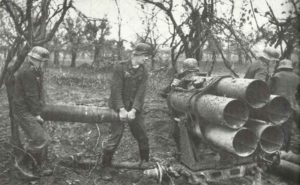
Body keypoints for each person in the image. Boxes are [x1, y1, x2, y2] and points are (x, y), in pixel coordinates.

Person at [101, 43, 152, 181]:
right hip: (118, 107)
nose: (147, 59)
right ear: (137, 55)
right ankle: (105, 166)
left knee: (142, 135)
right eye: (145, 56)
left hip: (134, 109)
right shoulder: (120, 67)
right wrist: (122, 109)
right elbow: (115, 90)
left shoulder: (144, 71)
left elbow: (141, 93)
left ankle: (145, 163)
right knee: (115, 137)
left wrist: (134, 110)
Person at [12, 46, 50, 179]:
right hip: (24, 111)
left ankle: (36, 167)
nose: (43, 64)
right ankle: (22, 165)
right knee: (41, 138)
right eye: (41, 61)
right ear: (32, 59)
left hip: (30, 109)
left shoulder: (36, 70)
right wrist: (36, 114)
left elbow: (38, 93)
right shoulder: (27, 72)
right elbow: (31, 95)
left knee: (37, 138)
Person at [269, 59, 300, 151]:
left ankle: (276, 149)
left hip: (279, 106)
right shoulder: (297, 77)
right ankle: (285, 149)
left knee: (277, 127)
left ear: (280, 67)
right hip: (293, 106)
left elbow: (268, 91)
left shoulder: (276, 76)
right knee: (288, 128)